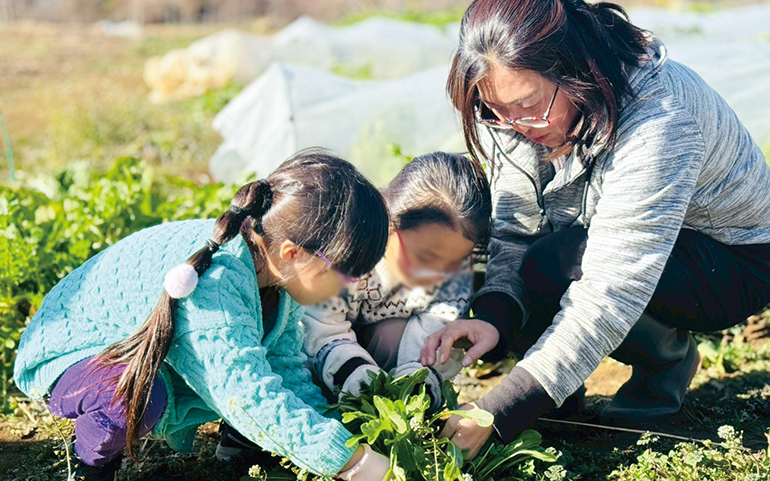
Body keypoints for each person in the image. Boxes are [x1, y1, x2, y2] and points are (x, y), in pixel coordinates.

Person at [419, 0, 770, 459]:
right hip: (611, 244)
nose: (517, 127)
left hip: (733, 261)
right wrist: (493, 315)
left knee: (556, 262)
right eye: (496, 110)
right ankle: (557, 397)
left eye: (527, 105)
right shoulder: (511, 109)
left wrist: (500, 410)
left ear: (576, 71)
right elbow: (515, 226)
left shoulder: (660, 118)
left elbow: (611, 289)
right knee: (537, 261)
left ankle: (661, 367)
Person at [13, 149, 394, 481]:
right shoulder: (214, 284)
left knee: (264, 384)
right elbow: (244, 394)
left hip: (140, 348)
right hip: (71, 356)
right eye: (345, 272)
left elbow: (285, 369)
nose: (349, 287)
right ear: (292, 253)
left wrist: (334, 432)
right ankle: (88, 466)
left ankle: (245, 441)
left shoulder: (276, 275)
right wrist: (353, 462)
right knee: (135, 397)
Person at [301, 152, 492, 412]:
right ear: (390, 222)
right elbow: (322, 328)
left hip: (378, 345)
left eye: (452, 263)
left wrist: (414, 384)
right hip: (319, 351)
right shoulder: (348, 252)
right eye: (425, 257)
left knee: (393, 336)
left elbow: (434, 332)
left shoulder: (453, 277)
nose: (436, 274)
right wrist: (355, 376)